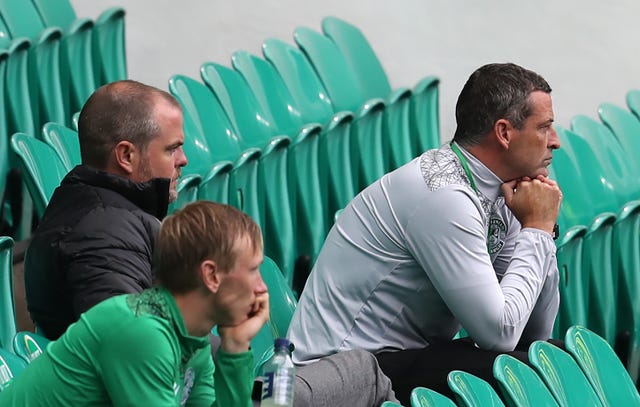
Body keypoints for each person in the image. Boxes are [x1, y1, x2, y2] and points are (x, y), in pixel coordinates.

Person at [287, 62, 563, 404]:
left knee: (553, 360)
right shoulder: (444, 197)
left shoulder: (498, 190)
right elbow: (500, 333)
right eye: (545, 127)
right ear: (505, 133)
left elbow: (534, 333)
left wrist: (538, 229)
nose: (556, 142)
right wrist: (537, 229)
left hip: (403, 358)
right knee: (524, 375)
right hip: (348, 373)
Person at [0, 201, 269, 405]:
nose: (261, 288)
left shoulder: (191, 339)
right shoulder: (141, 332)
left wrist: (235, 346)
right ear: (211, 275)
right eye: (253, 270)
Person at [24, 80, 188, 339]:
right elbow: (129, 342)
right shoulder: (102, 233)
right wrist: (228, 354)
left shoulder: (110, 215)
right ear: (126, 156)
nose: (183, 159)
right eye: (172, 149)